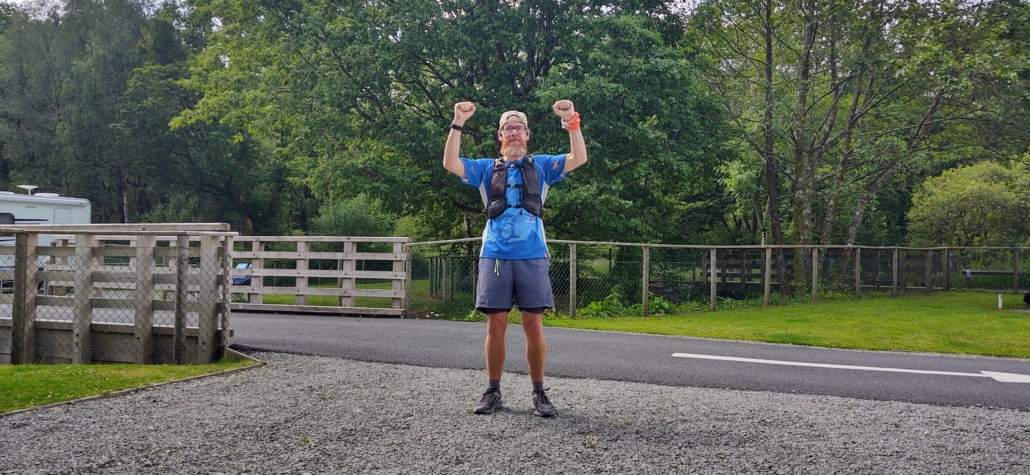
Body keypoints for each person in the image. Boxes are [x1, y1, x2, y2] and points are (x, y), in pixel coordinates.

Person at [442, 100, 588, 417]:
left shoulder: (543, 166)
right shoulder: (484, 168)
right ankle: (493, 390)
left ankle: (539, 393)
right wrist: (458, 123)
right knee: (495, 327)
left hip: (532, 255)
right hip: (494, 255)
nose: (513, 133)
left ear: (527, 134)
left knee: (533, 326)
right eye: (508, 128)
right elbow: (450, 162)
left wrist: (571, 121)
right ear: (499, 135)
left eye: (518, 128)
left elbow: (580, 158)